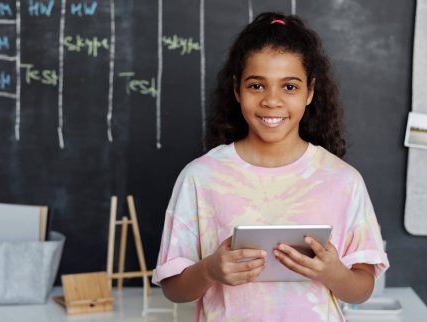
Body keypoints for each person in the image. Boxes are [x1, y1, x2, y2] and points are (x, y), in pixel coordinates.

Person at [152, 12, 389, 322]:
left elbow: (362, 288)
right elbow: (173, 288)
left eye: (289, 87)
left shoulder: (343, 181)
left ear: (310, 92)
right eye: (257, 86)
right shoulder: (201, 177)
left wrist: (334, 274)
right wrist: (210, 270)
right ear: (237, 90)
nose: (272, 101)